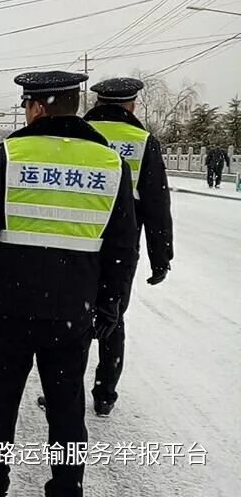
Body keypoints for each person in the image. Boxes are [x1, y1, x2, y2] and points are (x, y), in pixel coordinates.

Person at [0, 71, 139, 497]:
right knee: (67, 406)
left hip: (10, 306)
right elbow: (123, 245)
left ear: (37, 107)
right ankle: (66, 488)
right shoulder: (110, 162)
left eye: (26, 105)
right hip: (73, 310)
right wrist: (112, 302)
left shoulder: (11, 154)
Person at [66, 77, 172, 416]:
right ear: (132, 105)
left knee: (72, 317)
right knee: (112, 317)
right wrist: (161, 256)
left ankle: (65, 388)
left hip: (77, 241)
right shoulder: (143, 142)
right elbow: (156, 205)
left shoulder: (76, 134)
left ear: (97, 102)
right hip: (121, 248)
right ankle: (105, 393)